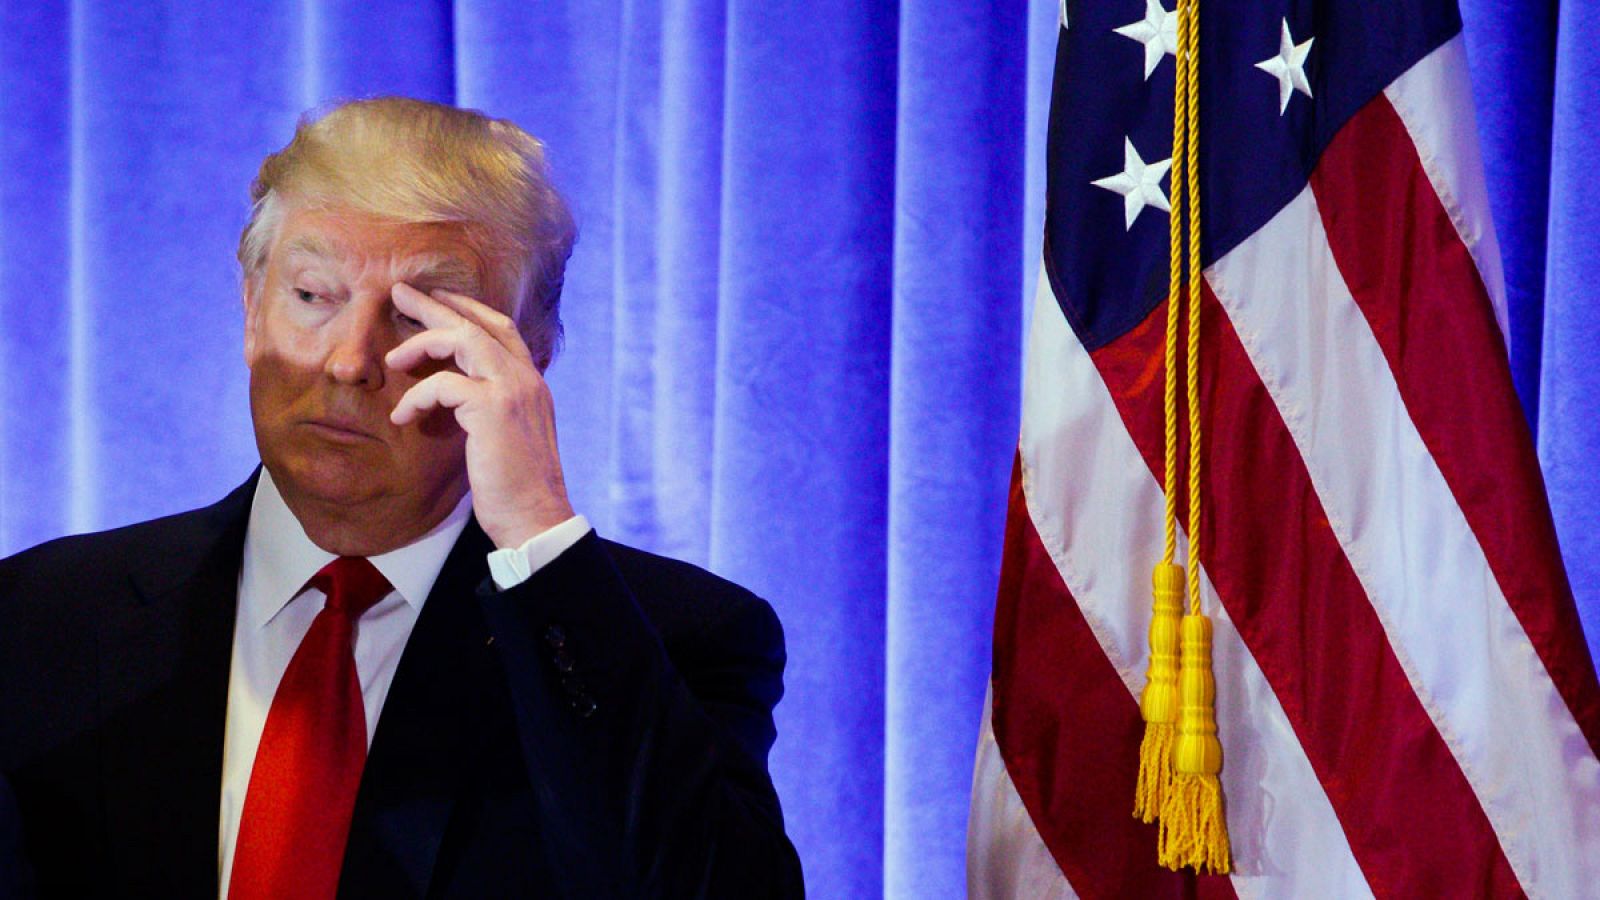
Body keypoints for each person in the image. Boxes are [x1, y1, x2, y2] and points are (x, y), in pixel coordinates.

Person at [0, 97, 803, 898]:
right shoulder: (38, 617)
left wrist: (535, 529)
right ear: (250, 309)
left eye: (419, 317)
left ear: (526, 357)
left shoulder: (670, 641)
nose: (350, 361)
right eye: (313, 295)